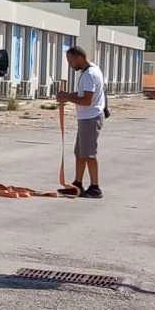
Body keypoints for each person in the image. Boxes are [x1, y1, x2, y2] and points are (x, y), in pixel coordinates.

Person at [56, 46, 105, 198]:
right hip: (86, 118)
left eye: (70, 61)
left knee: (89, 154)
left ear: (79, 57)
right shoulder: (90, 71)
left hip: (91, 117)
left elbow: (87, 100)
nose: (70, 64)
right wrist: (68, 95)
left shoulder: (90, 74)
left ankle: (95, 187)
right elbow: (83, 94)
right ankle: (77, 184)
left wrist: (67, 97)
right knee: (80, 153)